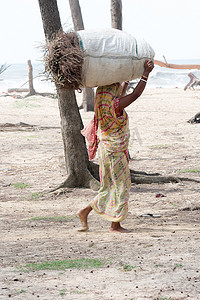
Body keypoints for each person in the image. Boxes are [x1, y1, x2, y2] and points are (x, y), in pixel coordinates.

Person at [78, 59, 154, 233]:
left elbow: (121, 95)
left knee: (109, 186)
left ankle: (85, 212)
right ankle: (115, 225)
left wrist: (126, 80)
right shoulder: (116, 106)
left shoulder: (103, 103)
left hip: (107, 150)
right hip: (115, 152)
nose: (118, 91)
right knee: (121, 186)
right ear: (113, 93)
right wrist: (145, 75)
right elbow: (134, 95)